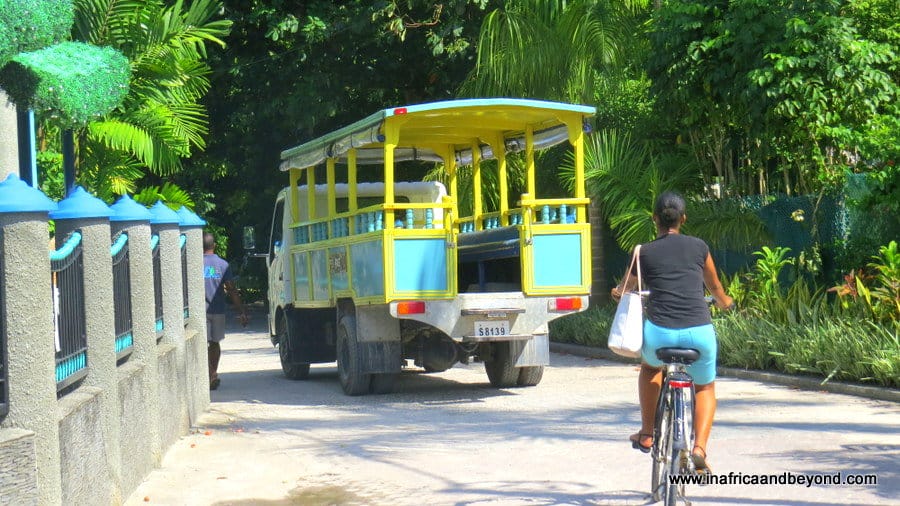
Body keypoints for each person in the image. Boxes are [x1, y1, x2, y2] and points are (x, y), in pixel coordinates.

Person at [611, 191, 734, 474]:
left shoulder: (643, 251)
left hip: (660, 334)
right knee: (704, 387)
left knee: (650, 369)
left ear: (655, 219)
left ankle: (646, 433)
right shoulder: (699, 247)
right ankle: (699, 449)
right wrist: (726, 303)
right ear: (683, 219)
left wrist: (618, 292)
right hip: (699, 334)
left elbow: (626, 288)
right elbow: (715, 289)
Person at [204, 232, 248, 390]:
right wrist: (241, 311)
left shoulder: (193, 264)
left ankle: (211, 374)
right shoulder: (222, 264)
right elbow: (231, 289)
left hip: (199, 312)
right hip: (217, 311)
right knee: (215, 343)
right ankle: (212, 374)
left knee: (201, 345)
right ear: (214, 246)